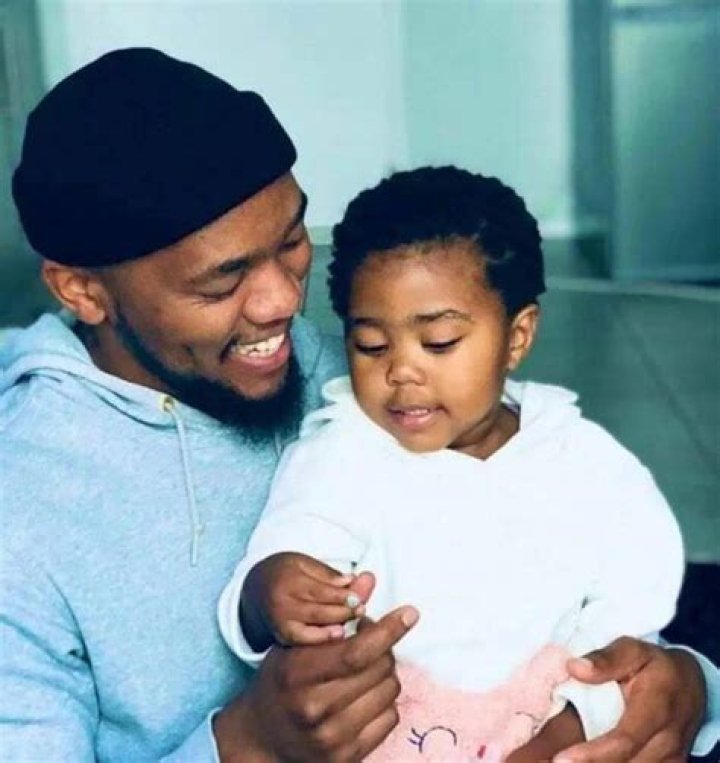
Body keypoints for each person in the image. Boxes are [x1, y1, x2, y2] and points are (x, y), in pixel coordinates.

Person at [0, 47, 717, 762]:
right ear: (83, 290)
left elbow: (544, 559)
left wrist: (685, 685)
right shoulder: (23, 518)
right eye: (222, 281)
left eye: (291, 241)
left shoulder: (348, 372)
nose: (284, 301)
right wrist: (248, 745)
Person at [214, 166, 701, 761]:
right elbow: (284, 560)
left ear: (517, 337)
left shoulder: (587, 465)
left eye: (439, 343)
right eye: (370, 345)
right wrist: (268, 593)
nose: (401, 371)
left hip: (548, 736)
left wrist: (570, 730)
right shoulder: (342, 455)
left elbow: (627, 631)